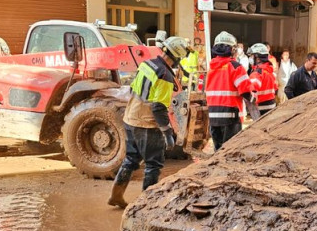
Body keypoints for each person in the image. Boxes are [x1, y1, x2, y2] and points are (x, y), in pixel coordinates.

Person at [108, 36, 190, 208]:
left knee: (131, 159)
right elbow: (158, 108)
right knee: (153, 164)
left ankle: (116, 195)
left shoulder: (147, 64)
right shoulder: (165, 76)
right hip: (146, 124)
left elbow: (133, 88)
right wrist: (167, 132)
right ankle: (146, 205)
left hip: (130, 118)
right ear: (176, 58)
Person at [206, 31, 254, 151]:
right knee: (229, 153)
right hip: (230, 118)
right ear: (232, 49)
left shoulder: (211, 68)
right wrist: (255, 102)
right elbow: (245, 92)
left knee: (218, 152)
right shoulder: (235, 67)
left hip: (213, 117)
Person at [247, 43, 278, 116]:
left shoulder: (256, 74)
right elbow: (276, 89)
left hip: (260, 110)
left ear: (257, 58)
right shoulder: (269, 72)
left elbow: (251, 95)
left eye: (252, 56)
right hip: (272, 106)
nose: (250, 58)